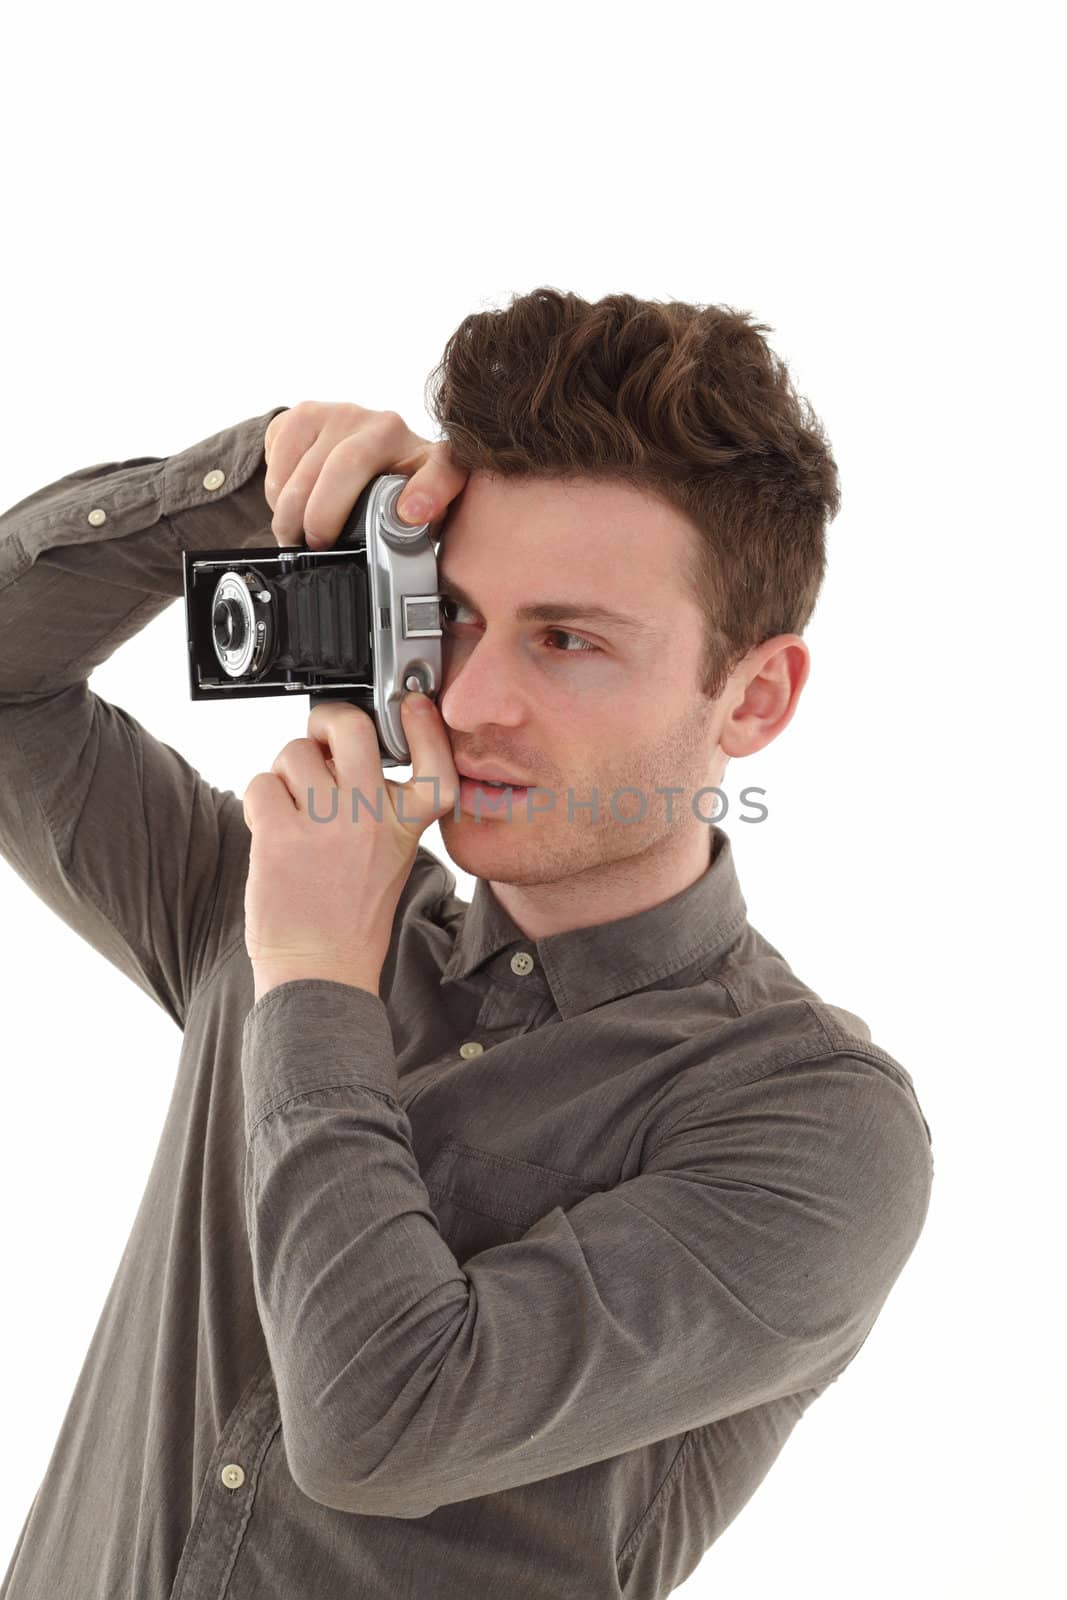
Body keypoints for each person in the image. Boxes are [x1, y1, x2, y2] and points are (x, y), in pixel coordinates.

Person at [0, 287, 933, 1600]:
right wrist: (242, 480)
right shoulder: (259, 901)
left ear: (757, 695)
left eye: (566, 641)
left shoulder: (814, 1126)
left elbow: (375, 1427)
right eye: (454, 620)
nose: (473, 700)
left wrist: (315, 978)